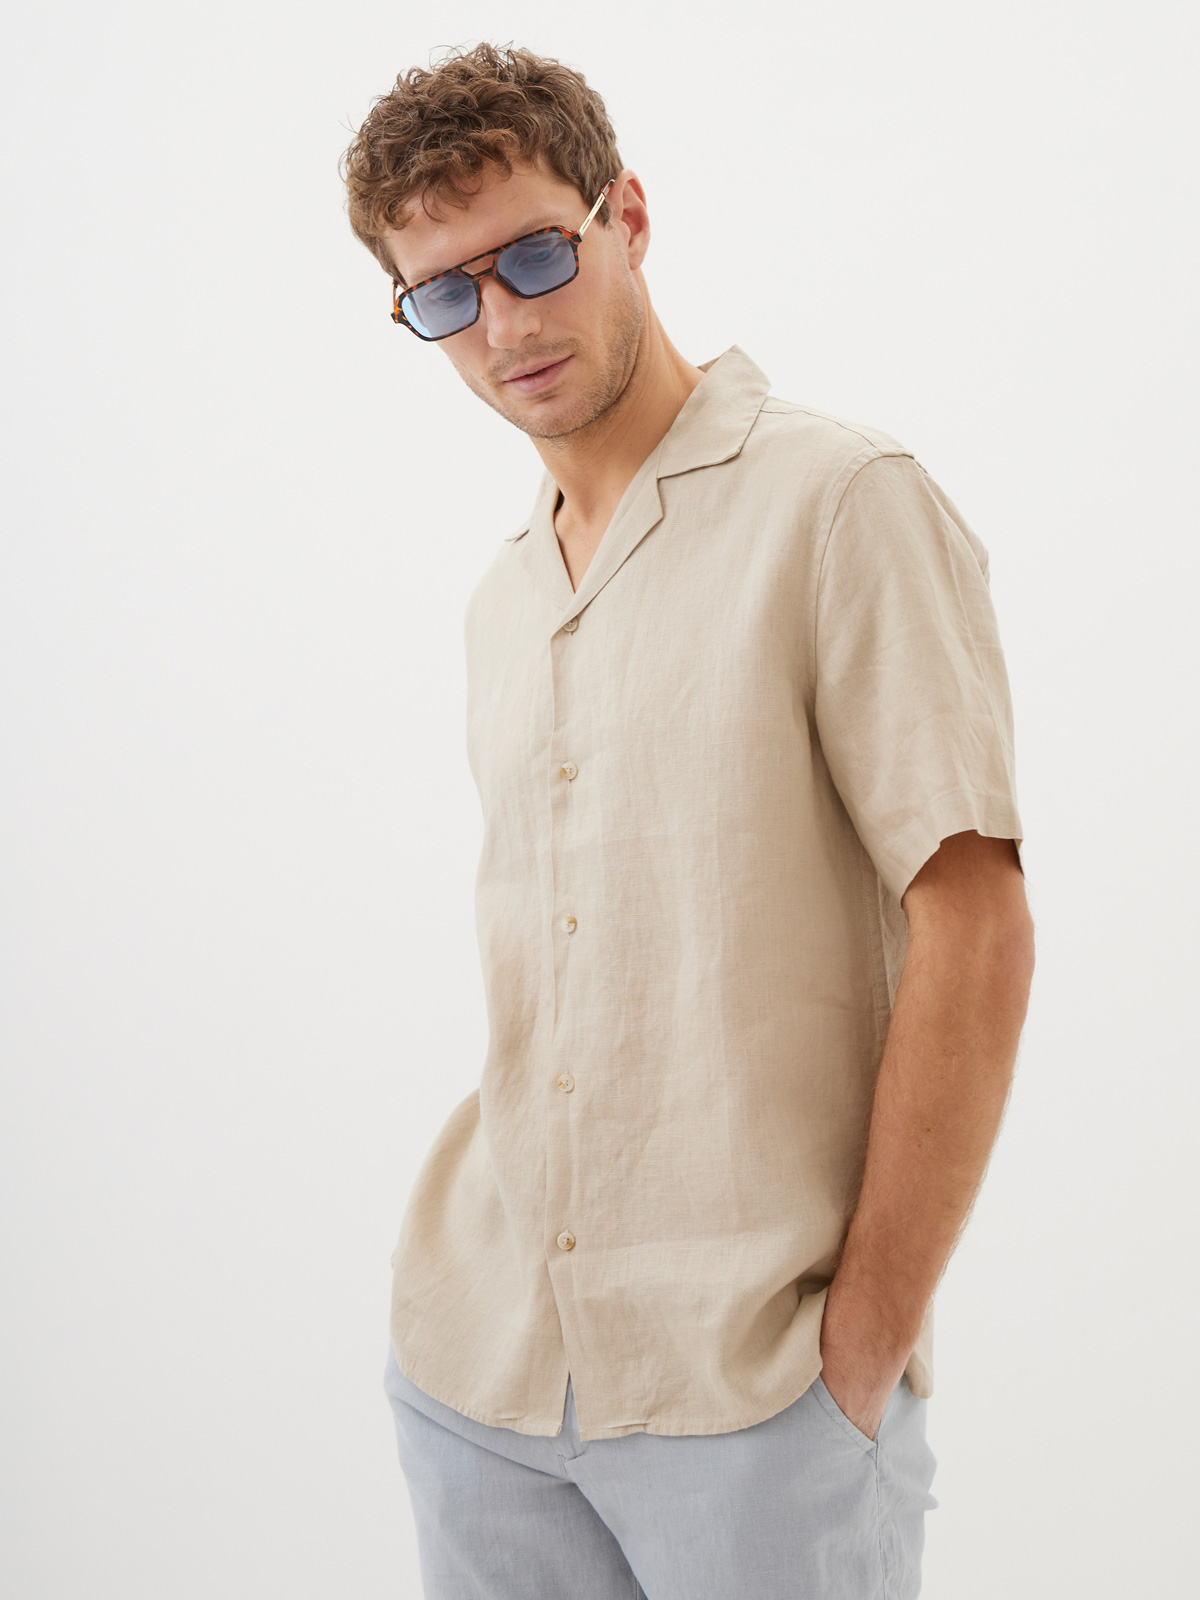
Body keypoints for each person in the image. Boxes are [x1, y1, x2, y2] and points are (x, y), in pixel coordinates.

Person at [340, 40, 1035, 1600]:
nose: (505, 325)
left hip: (755, 1395)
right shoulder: (505, 598)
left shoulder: (841, 502)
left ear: (628, 216)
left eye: (534, 256)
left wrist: (860, 1352)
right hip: (481, 1374)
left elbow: (978, 929)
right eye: (443, 295)